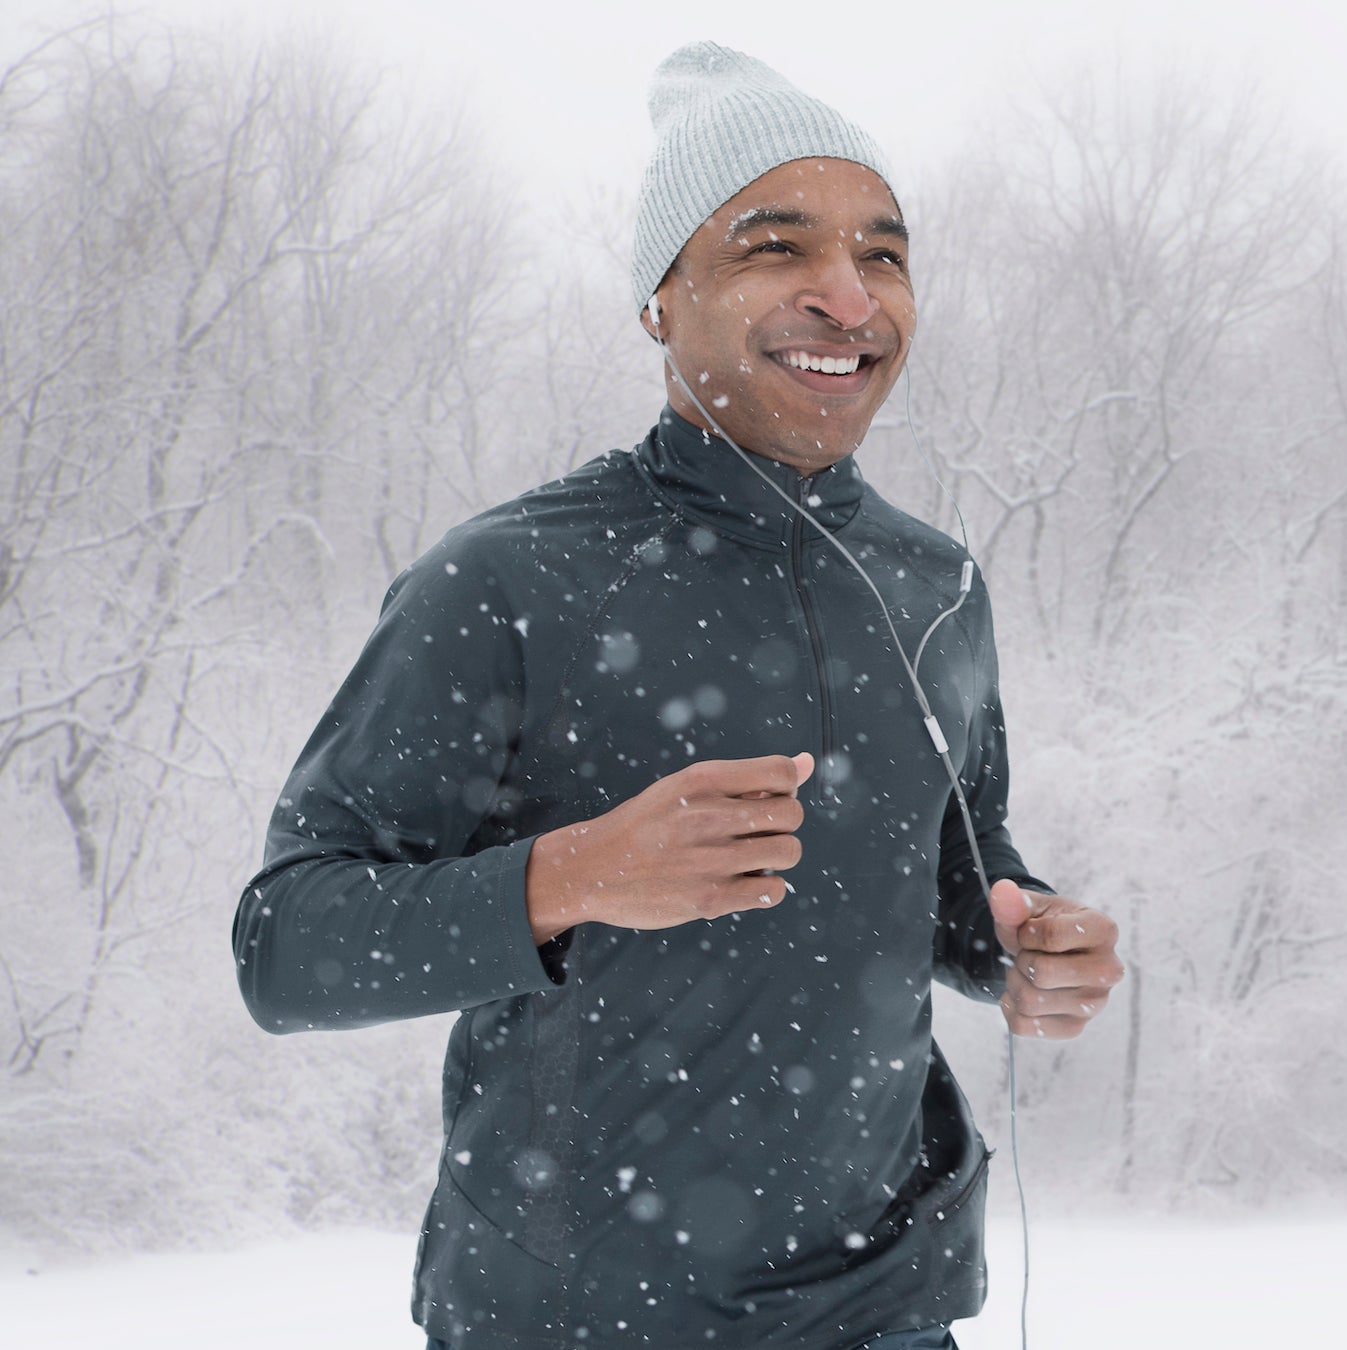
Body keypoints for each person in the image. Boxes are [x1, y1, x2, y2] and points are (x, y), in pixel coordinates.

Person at [232, 41, 1122, 1350]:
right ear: (661, 300)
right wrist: (572, 874)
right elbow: (285, 946)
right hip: (576, 1318)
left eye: (883, 254)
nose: (848, 296)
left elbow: (949, 875)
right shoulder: (511, 577)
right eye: (777, 246)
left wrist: (1020, 939)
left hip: (889, 1308)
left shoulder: (935, 584)